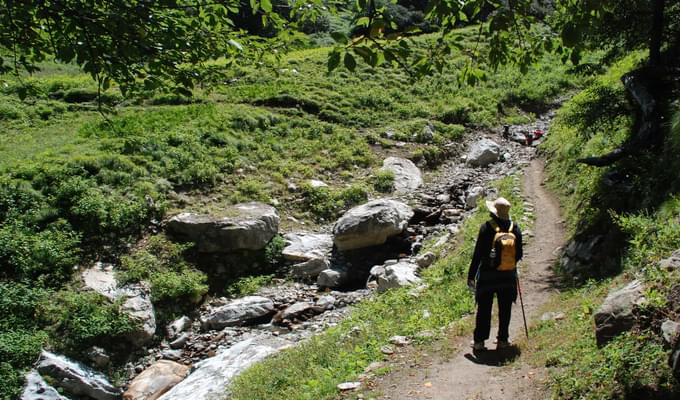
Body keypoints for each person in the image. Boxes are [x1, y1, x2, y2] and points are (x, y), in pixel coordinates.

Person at [467, 197, 523, 351]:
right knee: (505, 309)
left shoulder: (486, 227)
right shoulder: (515, 228)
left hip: (488, 276)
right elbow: (519, 254)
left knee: (484, 308)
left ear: (493, 213)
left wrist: (471, 276)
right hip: (508, 276)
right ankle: (503, 340)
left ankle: (479, 342)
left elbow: (477, 254)